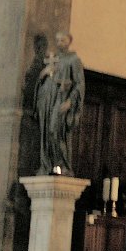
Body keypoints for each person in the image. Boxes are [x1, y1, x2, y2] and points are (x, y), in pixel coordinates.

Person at [34, 31, 85, 176]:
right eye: (57, 40)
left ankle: (63, 165)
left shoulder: (74, 59)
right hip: (46, 100)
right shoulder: (52, 58)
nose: (59, 43)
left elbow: (79, 84)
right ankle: (46, 165)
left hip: (60, 98)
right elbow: (41, 80)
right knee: (45, 133)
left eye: (63, 40)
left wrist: (70, 101)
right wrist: (43, 73)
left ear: (69, 41)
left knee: (55, 130)